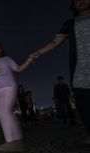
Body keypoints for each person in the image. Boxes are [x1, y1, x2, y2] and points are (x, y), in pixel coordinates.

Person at [31, 0, 90, 143]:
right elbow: (55, 42)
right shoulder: (70, 23)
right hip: (80, 72)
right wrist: (38, 52)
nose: (80, 1)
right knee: (84, 107)